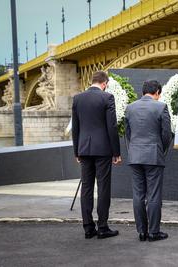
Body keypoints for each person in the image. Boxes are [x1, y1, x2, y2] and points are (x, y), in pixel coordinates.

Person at [72, 71, 122, 239]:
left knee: (86, 188)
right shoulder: (107, 98)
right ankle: (102, 227)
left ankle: (88, 228)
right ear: (104, 83)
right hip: (103, 150)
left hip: (84, 149)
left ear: (92, 81)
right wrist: (116, 152)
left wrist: (76, 151)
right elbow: (112, 126)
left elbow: (76, 128)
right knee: (103, 188)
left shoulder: (78, 99)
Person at [125, 80, 172, 242]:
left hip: (135, 155)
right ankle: (153, 232)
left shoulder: (130, 108)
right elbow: (167, 135)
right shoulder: (161, 107)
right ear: (157, 92)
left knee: (138, 194)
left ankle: (141, 232)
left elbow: (128, 133)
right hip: (153, 155)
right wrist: (160, 149)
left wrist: (135, 147)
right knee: (153, 194)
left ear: (143, 91)